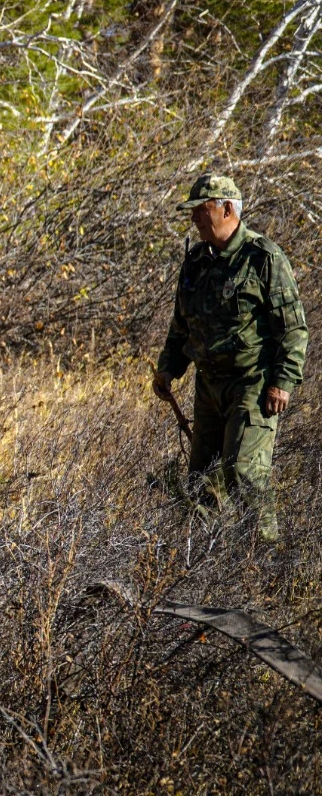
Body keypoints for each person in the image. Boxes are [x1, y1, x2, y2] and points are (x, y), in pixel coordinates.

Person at [151, 174, 307, 542]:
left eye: (200, 210)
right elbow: (181, 323)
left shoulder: (263, 257)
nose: (194, 220)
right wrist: (168, 370)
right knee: (202, 481)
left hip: (252, 385)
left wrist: (283, 382)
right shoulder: (195, 262)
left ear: (226, 208)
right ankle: (203, 567)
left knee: (245, 473)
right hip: (208, 388)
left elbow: (294, 329)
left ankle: (264, 563)